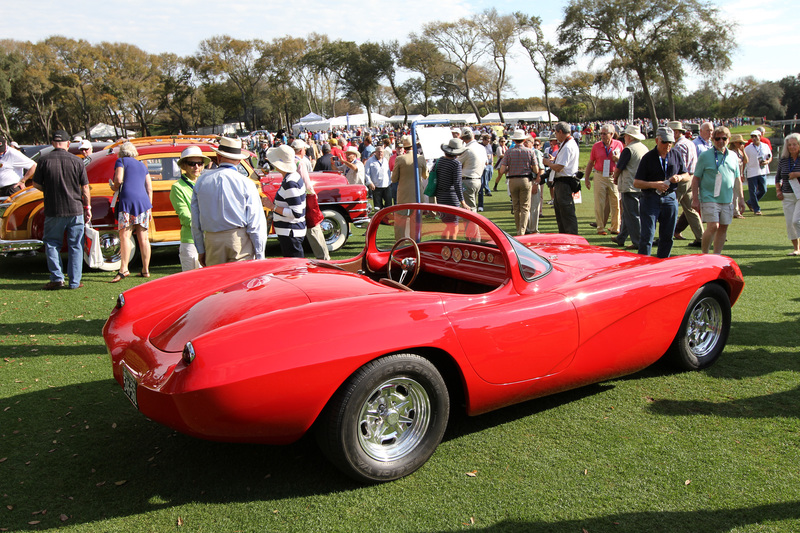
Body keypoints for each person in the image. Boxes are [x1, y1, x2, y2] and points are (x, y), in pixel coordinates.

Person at [191, 136, 267, 266]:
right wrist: (260, 254)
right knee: (241, 283)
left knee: (217, 283)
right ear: (238, 161)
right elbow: (256, 222)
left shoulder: (202, 181)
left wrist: (201, 249)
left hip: (212, 239)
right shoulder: (245, 183)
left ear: (218, 157)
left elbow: (195, 221)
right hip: (238, 240)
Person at [31, 130, 90, 290]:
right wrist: (88, 206)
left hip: (53, 209)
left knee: (52, 243)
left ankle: (57, 278)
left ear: (52, 143)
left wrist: (48, 189)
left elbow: (35, 184)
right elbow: (85, 187)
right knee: (76, 245)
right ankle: (74, 281)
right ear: (68, 144)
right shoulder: (77, 161)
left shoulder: (43, 160)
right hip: (75, 208)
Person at [634, 127, 690, 258]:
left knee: (667, 236)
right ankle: (643, 264)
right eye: (664, 142)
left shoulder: (675, 154)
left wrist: (680, 177)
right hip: (650, 198)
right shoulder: (648, 158)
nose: (668, 145)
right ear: (657, 140)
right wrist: (655, 185)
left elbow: (686, 174)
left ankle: (662, 263)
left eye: (671, 142)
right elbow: (636, 182)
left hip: (670, 198)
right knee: (647, 236)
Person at [691, 126, 739, 254]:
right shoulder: (705, 156)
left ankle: (717, 255)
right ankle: (705, 254)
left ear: (728, 139)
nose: (720, 141)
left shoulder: (733, 156)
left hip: (727, 198)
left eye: (724, 138)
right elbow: (696, 178)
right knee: (713, 226)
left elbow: (737, 179)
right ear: (713, 140)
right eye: (717, 138)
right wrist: (695, 199)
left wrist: (741, 200)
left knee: (723, 227)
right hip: (709, 197)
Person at [109, 142, 153, 282]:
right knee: (144, 238)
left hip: (127, 202)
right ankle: (145, 269)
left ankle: (124, 269)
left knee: (125, 235)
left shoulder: (120, 161)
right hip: (144, 203)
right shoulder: (141, 165)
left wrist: (114, 186)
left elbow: (119, 179)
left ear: (121, 152)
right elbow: (149, 188)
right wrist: (150, 207)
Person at [263, 144, 307, 258]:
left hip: (291, 232)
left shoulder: (290, 182)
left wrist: (272, 207)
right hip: (290, 231)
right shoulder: (292, 178)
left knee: (295, 269)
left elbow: (297, 213)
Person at [170, 146, 209, 271]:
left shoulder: (207, 182)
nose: (196, 167)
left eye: (199, 163)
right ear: (184, 166)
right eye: (192, 163)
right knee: (193, 284)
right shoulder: (177, 187)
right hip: (191, 241)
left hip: (210, 239)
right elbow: (185, 217)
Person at [611, 125, 648, 249]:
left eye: (626, 136)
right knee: (628, 213)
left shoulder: (629, 149)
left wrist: (615, 177)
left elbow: (619, 167)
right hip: (641, 185)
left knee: (632, 214)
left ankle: (637, 241)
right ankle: (621, 237)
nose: (624, 138)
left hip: (629, 185)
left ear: (629, 137)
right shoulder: (644, 148)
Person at [669, 121, 703, 247]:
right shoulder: (689, 143)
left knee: (670, 208)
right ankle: (701, 237)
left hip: (682, 179)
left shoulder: (679, 146)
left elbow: (679, 166)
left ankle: (665, 237)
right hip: (691, 177)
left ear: (677, 132)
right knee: (690, 210)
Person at [584, 124, 624, 235]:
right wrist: (587, 178)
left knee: (615, 201)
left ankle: (615, 227)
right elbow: (591, 162)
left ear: (611, 134)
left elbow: (624, 161)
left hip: (613, 175)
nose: (602, 135)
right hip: (599, 175)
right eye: (601, 133)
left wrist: (618, 159)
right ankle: (600, 227)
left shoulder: (618, 144)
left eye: (604, 133)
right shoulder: (596, 146)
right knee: (599, 203)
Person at [292, 139, 328, 260]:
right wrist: (313, 195)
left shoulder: (289, 162)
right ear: (302, 150)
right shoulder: (300, 163)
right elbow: (307, 184)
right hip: (304, 198)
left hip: (293, 198)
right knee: (313, 227)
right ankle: (323, 257)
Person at [498, 130, 538, 235]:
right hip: (525, 180)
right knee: (525, 207)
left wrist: (510, 167)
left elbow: (502, 170)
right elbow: (536, 170)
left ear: (514, 140)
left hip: (512, 180)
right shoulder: (530, 151)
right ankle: (522, 231)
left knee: (516, 206)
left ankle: (518, 229)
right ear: (524, 140)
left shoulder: (508, 152)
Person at [542, 122, 580, 235]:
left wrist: (548, 163)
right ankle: (565, 235)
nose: (556, 136)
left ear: (560, 132)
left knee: (566, 213)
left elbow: (560, 167)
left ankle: (571, 237)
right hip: (562, 181)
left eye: (556, 133)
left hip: (564, 182)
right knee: (561, 213)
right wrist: (554, 160)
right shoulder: (567, 144)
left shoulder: (568, 146)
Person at [391, 135, 427, 239]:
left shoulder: (400, 159)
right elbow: (425, 176)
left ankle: (400, 244)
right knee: (416, 222)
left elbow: (394, 179)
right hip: (417, 195)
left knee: (400, 222)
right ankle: (415, 244)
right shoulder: (420, 158)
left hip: (403, 195)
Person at [435, 138, 469, 239]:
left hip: (440, 195)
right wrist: (462, 201)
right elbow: (457, 183)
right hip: (451, 196)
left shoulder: (439, 161)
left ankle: (443, 246)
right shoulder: (456, 164)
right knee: (454, 226)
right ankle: (450, 248)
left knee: (448, 224)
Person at [774, 133, 800, 256]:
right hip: (787, 195)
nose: (792, 147)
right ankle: (796, 248)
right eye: (789, 145)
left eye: (794, 144)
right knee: (790, 223)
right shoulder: (784, 160)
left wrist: (797, 174)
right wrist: (778, 190)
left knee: (796, 221)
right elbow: (777, 178)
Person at [744, 130, 772, 215]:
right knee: (752, 191)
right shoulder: (747, 148)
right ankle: (757, 209)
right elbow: (744, 160)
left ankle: (750, 202)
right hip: (752, 171)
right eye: (752, 137)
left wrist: (767, 162)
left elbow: (769, 156)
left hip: (762, 170)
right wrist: (742, 173)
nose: (754, 138)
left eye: (755, 136)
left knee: (763, 190)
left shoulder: (765, 146)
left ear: (760, 136)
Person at [458, 128, 485, 212]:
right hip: (477, 179)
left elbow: (456, 163)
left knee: (469, 208)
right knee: (472, 206)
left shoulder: (467, 149)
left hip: (468, 180)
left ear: (462, 138)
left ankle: (472, 225)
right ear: (473, 135)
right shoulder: (481, 147)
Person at [365, 145, 392, 212]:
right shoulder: (370, 161)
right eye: (379, 152)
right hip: (376, 186)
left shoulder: (385, 160)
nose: (380, 154)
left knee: (388, 203)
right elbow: (366, 173)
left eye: (382, 152)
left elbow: (388, 172)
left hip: (386, 185)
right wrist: (370, 183)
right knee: (378, 205)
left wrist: (390, 181)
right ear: (375, 152)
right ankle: (380, 219)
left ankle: (387, 217)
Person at [727, 134, 749, 218]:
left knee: (736, 193)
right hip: (732, 175)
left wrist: (743, 151)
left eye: (742, 143)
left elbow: (746, 161)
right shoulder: (731, 152)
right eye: (740, 143)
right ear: (735, 143)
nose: (742, 145)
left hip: (739, 174)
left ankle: (735, 211)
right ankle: (735, 211)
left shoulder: (740, 152)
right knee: (734, 194)